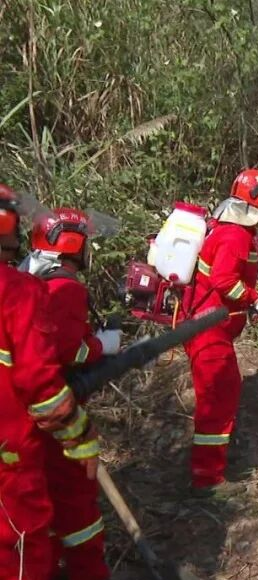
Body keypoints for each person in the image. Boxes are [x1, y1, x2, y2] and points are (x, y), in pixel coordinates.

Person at [0, 184, 101, 580]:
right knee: (23, 547)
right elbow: (42, 385)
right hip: (10, 451)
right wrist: (80, 434)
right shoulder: (18, 291)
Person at [21, 208, 122, 580]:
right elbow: (67, 351)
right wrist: (101, 345)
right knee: (77, 502)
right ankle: (87, 571)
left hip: (27, 413)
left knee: (39, 499)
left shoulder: (28, 280)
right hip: (59, 412)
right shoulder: (66, 287)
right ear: (74, 245)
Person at [184, 169, 258, 498]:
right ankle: (207, 479)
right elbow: (225, 281)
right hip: (208, 330)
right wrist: (256, 298)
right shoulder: (236, 235)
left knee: (222, 395)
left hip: (209, 327)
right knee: (217, 399)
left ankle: (214, 461)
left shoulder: (228, 228)